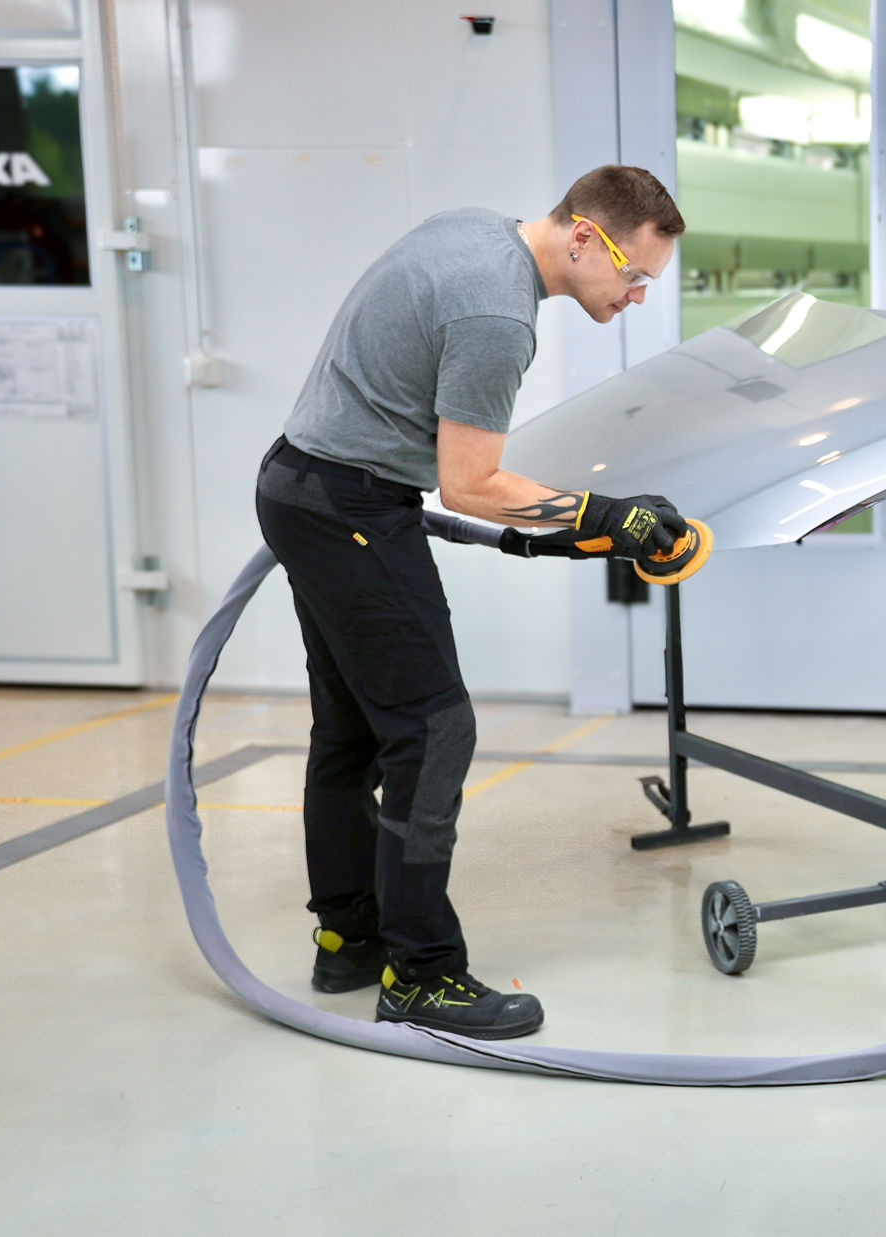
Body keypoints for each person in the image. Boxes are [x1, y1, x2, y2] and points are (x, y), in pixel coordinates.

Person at [254, 165, 690, 1040]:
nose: (637, 295)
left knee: (352, 731)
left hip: (300, 485)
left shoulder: (474, 230)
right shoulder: (498, 315)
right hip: (352, 507)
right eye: (635, 274)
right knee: (433, 729)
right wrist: (614, 518)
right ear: (583, 238)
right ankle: (422, 973)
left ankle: (349, 939)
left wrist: (580, 523)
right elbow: (469, 485)